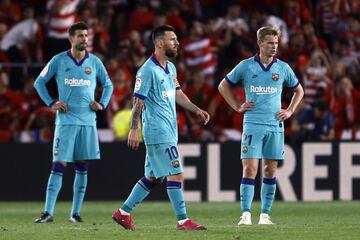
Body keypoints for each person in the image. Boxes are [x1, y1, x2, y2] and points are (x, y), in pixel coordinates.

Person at [112, 25, 209, 231]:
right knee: (176, 174)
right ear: (159, 43)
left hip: (169, 130)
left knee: (154, 177)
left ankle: (123, 212)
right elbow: (138, 101)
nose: (177, 42)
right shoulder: (147, 70)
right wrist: (133, 128)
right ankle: (183, 221)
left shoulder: (170, 68)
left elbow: (177, 93)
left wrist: (196, 109)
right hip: (158, 131)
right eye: (173, 39)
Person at [218, 26, 304, 225]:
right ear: (259, 43)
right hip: (253, 124)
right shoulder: (246, 66)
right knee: (249, 169)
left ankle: (265, 215)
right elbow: (223, 85)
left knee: (270, 171)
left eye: (276, 43)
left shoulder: (283, 68)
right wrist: (236, 106)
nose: (274, 47)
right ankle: (246, 214)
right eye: (270, 43)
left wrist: (290, 110)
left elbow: (299, 91)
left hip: (275, 125)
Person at [33, 22, 113, 223]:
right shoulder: (58, 60)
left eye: (86, 35)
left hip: (87, 122)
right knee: (58, 165)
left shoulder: (94, 62)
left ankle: (75, 214)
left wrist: (102, 103)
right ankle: (47, 212)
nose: (84, 39)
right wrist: (52, 102)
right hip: (66, 122)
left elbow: (109, 84)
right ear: (71, 39)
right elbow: (39, 82)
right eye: (80, 35)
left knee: (82, 167)